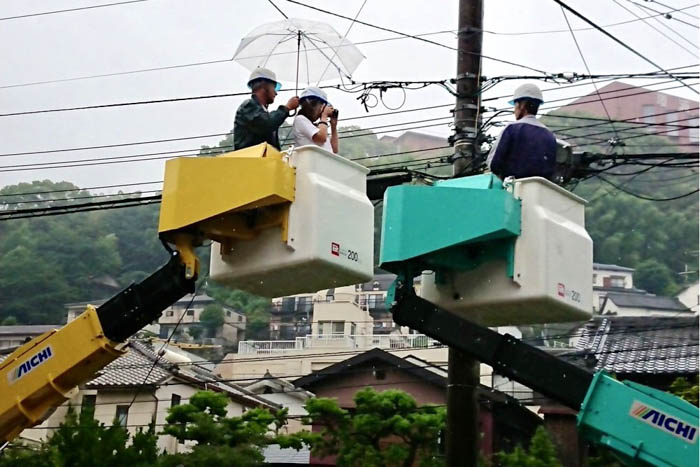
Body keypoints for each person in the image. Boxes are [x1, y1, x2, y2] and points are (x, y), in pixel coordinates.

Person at [487, 83, 557, 180]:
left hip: (513, 186)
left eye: (515, 105)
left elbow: (494, 164)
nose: (514, 110)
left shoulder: (511, 129)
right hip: (540, 187)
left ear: (522, 105)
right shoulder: (550, 136)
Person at [233, 67, 300, 150]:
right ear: (264, 85)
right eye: (274, 87)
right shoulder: (248, 106)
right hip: (251, 158)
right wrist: (287, 108)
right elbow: (267, 124)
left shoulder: (261, 112)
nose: (276, 93)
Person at [292, 87, 339, 154]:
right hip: (312, 160)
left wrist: (333, 126)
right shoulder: (300, 119)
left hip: (323, 160)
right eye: (322, 106)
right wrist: (324, 116)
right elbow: (321, 138)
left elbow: (334, 150)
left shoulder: (317, 127)